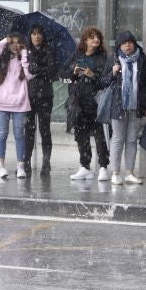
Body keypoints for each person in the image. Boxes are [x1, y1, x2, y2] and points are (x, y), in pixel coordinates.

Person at [101, 30, 146, 186]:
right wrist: (112, 72)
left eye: (130, 42)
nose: (127, 46)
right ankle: (115, 173)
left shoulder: (142, 59)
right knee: (118, 139)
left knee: (131, 140)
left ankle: (129, 173)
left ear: (134, 43)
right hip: (118, 105)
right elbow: (103, 82)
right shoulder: (113, 58)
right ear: (119, 45)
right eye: (124, 43)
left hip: (136, 105)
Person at [60, 26, 110, 181]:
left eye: (97, 37)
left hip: (96, 103)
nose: (95, 39)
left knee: (100, 136)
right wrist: (73, 73)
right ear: (85, 40)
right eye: (92, 37)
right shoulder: (77, 55)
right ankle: (85, 166)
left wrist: (92, 75)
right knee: (81, 136)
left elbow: (105, 81)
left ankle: (103, 167)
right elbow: (62, 75)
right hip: (78, 103)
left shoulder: (103, 57)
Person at [0, 33, 33, 179]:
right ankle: (1, 165)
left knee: (19, 135)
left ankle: (20, 166)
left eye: (18, 42)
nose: (15, 45)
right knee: (2, 134)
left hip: (20, 103)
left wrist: (25, 55)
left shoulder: (24, 58)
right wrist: (3, 41)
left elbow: (30, 75)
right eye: (12, 42)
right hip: (1, 103)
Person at [24, 24, 57, 177]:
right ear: (30, 36)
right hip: (29, 95)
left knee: (45, 129)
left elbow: (51, 71)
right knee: (29, 129)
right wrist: (35, 69)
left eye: (39, 33)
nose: (36, 36)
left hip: (45, 95)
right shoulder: (26, 51)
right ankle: (26, 160)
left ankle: (46, 161)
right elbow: (25, 70)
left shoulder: (49, 50)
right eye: (34, 33)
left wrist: (37, 69)